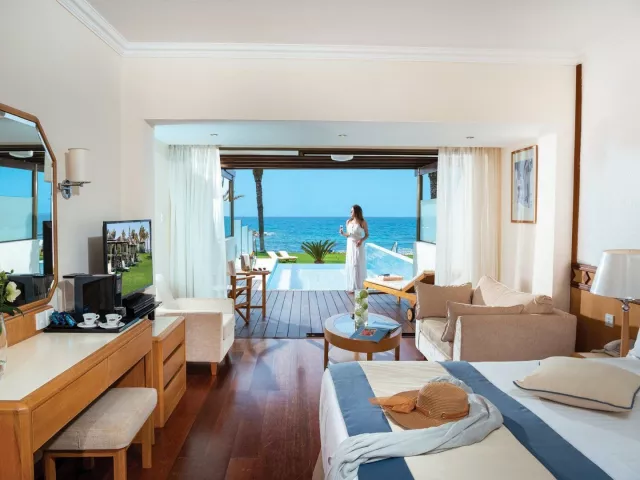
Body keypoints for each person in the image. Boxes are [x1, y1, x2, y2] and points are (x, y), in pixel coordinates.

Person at [339, 205, 369, 293]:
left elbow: (367, 235)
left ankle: (359, 287)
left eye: (352, 211)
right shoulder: (348, 221)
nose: (350, 213)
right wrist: (342, 233)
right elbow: (348, 234)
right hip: (350, 245)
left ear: (356, 212)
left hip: (358, 245)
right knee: (351, 264)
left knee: (357, 265)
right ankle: (352, 286)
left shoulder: (362, 222)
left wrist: (361, 240)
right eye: (350, 211)